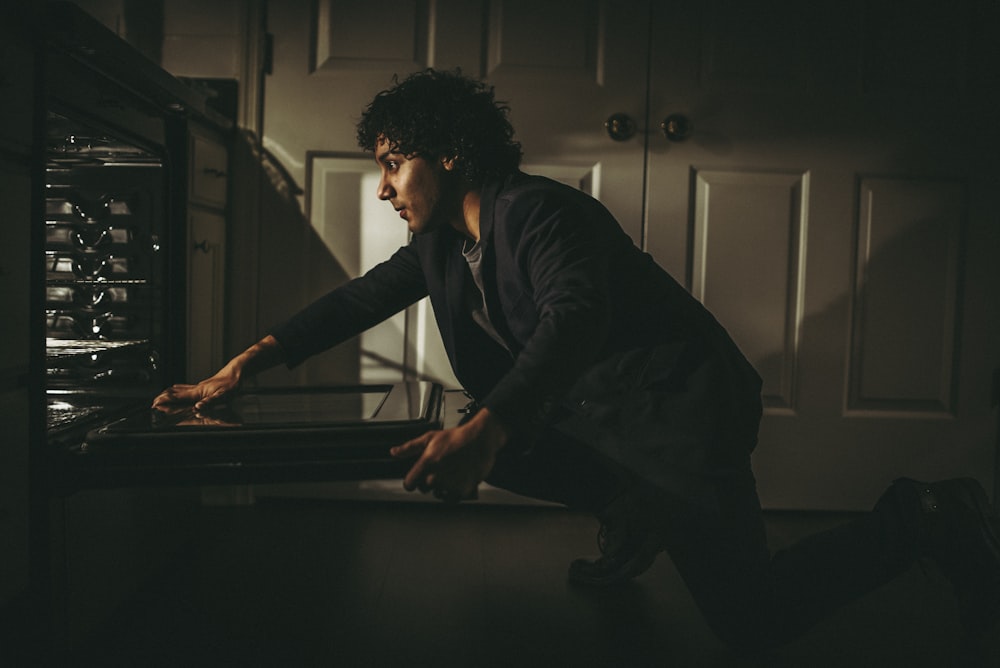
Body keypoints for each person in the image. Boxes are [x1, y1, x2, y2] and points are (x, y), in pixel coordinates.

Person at [153, 69, 1000, 654]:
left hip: (677, 421)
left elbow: (577, 319)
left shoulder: (544, 215)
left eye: (392, 163)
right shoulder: (442, 243)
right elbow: (355, 301)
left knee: (754, 622)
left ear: (447, 153)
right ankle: (632, 513)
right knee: (474, 432)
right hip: (601, 425)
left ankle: (928, 518)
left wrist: (493, 426)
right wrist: (242, 367)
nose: (383, 187)